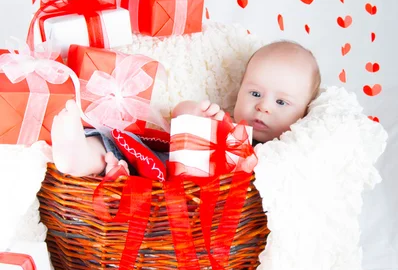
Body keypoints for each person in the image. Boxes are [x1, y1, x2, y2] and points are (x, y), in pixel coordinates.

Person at [51, 40, 321, 176]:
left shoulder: (282, 155)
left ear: (305, 113)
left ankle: (111, 170)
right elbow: (177, 116)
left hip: (185, 196)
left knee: (131, 165)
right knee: (121, 140)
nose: (263, 107)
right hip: (158, 165)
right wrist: (194, 114)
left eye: (281, 102)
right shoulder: (225, 122)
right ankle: (81, 155)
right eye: (254, 93)